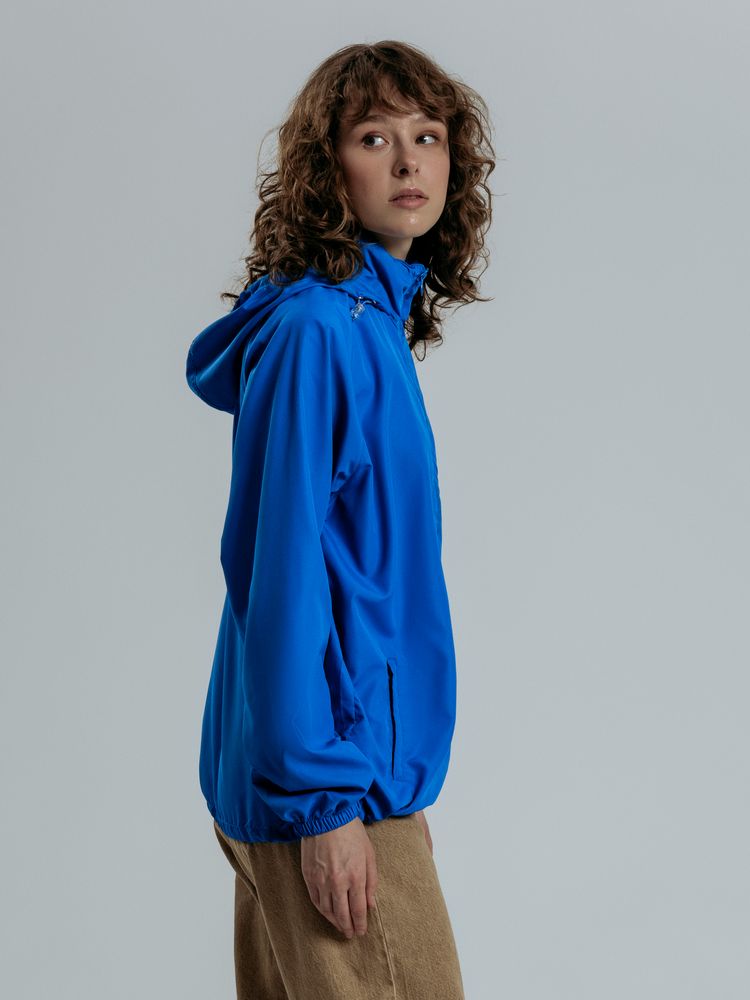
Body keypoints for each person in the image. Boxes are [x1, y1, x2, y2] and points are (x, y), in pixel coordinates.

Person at [185, 39, 495, 1000]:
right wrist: (327, 803)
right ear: (328, 168)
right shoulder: (320, 331)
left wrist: (392, 789)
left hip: (334, 776)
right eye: (374, 138)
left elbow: (357, 572)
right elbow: (278, 572)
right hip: (317, 784)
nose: (408, 162)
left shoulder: (367, 327)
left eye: (427, 136)